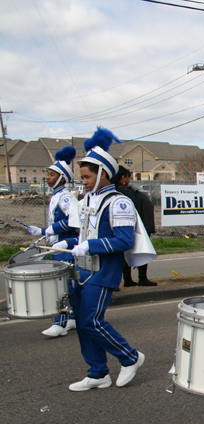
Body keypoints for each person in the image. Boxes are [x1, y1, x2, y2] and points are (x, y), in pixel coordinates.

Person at [52, 128, 146, 391]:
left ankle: (130, 357)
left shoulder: (119, 203)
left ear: (103, 174)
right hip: (82, 271)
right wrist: (69, 243)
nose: (82, 181)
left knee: (91, 321)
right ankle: (97, 373)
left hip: (103, 272)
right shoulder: (87, 201)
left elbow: (124, 240)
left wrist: (90, 246)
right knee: (82, 325)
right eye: (82, 177)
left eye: (87, 176)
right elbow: (84, 235)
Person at [26, 146, 79, 337]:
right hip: (58, 248)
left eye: (51, 174)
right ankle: (72, 318)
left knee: (60, 287)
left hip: (66, 247)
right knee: (66, 286)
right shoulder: (57, 196)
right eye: (47, 174)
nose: (47, 177)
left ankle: (59, 324)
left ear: (62, 178)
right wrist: (42, 231)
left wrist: (52, 230)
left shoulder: (65, 197)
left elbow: (73, 221)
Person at [115, 166, 157, 287]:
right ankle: (142, 278)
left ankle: (127, 279)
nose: (129, 180)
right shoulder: (127, 193)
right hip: (136, 226)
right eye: (128, 177)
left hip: (122, 227)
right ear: (123, 178)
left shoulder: (114, 192)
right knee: (140, 249)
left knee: (124, 253)